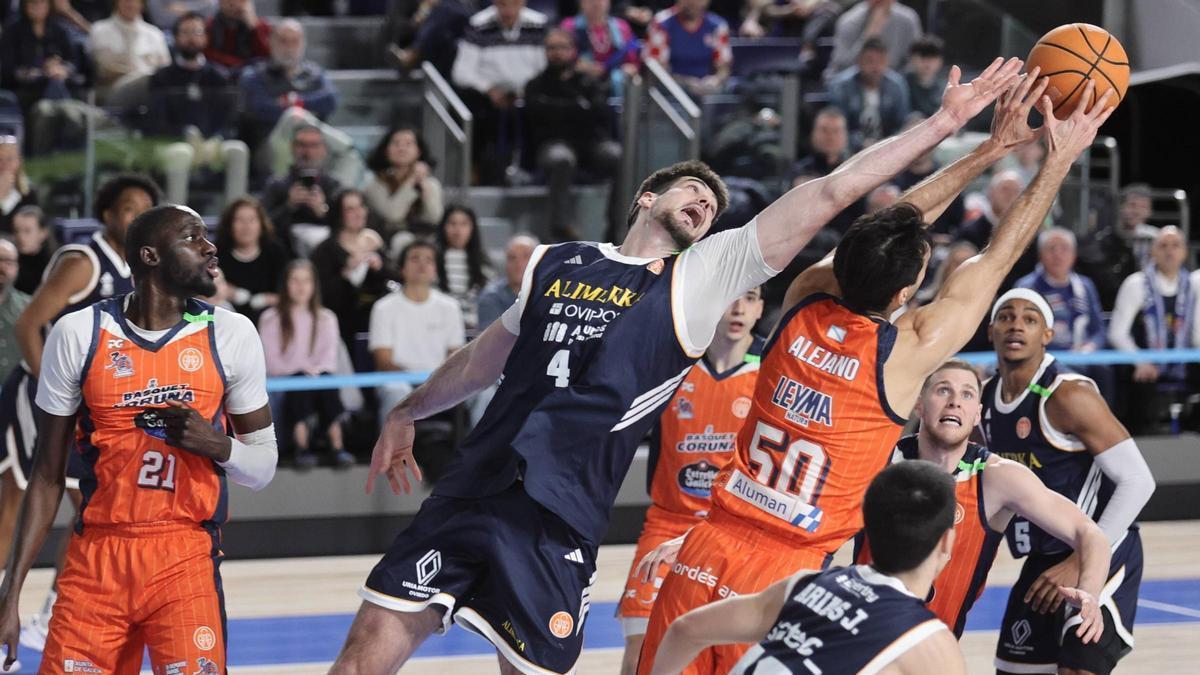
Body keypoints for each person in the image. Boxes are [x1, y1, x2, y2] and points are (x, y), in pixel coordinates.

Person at [328, 56, 1025, 674]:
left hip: (555, 514)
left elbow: (832, 193)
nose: (705, 203)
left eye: (715, 206)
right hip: (472, 483)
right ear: (645, 197)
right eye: (692, 191)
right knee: (360, 657)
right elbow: (487, 356)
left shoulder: (701, 276)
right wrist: (408, 408)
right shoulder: (558, 261)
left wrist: (942, 126)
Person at [638, 71, 1114, 674]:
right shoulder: (908, 350)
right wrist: (1059, 157)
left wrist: (991, 147)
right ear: (905, 292)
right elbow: (997, 258)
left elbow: (882, 229)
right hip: (784, 578)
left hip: (704, 548)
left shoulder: (804, 298)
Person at [0, 204, 277, 671]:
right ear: (150, 256)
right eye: (193, 238)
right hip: (97, 557)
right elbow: (46, 478)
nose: (210, 247)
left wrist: (217, 445)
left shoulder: (232, 333)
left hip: (184, 554)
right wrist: (10, 595)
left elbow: (263, 467)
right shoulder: (78, 333)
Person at [0, 174, 160, 653]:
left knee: (81, 508)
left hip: (87, 407)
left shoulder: (138, 269)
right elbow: (29, 325)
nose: (138, 218)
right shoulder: (83, 261)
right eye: (130, 208)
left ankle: (47, 614)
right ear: (108, 212)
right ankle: (22, 612)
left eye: (146, 210)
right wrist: (56, 389)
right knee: (24, 505)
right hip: (43, 399)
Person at [855, 360, 1110, 638]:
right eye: (943, 391)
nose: (954, 402)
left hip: (930, 646)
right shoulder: (879, 461)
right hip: (860, 636)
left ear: (977, 414)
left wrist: (1090, 593)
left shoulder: (996, 477)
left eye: (966, 394)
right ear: (919, 405)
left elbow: (1089, 533)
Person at [650, 461, 967, 675]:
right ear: (946, 543)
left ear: (867, 527)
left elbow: (684, 630)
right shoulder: (929, 642)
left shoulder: (805, 586)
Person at [982, 289, 1156, 674]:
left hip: (1102, 547)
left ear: (1047, 334)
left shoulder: (1068, 395)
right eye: (1007, 316)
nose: (1016, 325)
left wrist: (1081, 559)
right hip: (1044, 556)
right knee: (1014, 671)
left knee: (1078, 669)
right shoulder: (984, 399)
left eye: (1030, 319)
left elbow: (1138, 481)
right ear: (991, 329)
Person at [618, 288, 764, 675]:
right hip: (667, 521)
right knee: (639, 650)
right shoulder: (673, 360)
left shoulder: (772, 367)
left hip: (731, 533)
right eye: (731, 296)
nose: (738, 308)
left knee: (726, 655)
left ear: (761, 308)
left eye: (750, 298)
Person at [524, 28, 623, 243]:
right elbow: (537, 118)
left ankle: (619, 222)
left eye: (562, 47)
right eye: (551, 48)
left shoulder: (589, 82)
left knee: (617, 155)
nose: (556, 53)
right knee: (562, 158)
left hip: (591, 145)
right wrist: (578, 107)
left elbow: (601, 114)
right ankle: (559, 230)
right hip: (552, 145)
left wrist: (560, 110)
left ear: (573, 51)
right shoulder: (536, 85)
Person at [147, 11, 249, 207]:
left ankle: (233, 218)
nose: (191, 38)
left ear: (206, 37)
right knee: (181, 153)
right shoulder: (162, 77)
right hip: (173, 143)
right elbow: (156, 121)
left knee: (238, 150)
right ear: (175, 37)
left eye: (197, 32)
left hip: (212, 145)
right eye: (185, 32)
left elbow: (231, 119)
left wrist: (218, 138)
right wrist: (184, 134)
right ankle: (176, 221)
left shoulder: (220, 77)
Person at [259, 259, 353, 469]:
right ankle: (301, 446)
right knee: (300, 381)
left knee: (325, 380)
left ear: (314, 285)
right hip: (285, 381)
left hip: (317, 378)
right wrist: (301, 372)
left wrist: (314, 371)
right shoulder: (271, 318)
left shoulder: (326, 317)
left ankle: (337, 445)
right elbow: (271, 362)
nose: (301, 287)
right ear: (286, 284)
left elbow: (329, 357)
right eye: (295, 281)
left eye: (306, 281)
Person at [1107, 225, 1200, 433]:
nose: (1169, 251)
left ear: (1184, 252)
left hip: (1184, 363)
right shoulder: (1136, 284)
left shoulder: (1194, 286)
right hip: (1145, 365)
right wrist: (1140, 361)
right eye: (1163, 245)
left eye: (1175, 245)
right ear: (1153, 252)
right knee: (1142, 389)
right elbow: (1117, 333)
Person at [451, 0, 549, 184]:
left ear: (523, 2)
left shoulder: (539, 23)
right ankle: (479, 170)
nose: (508, 10)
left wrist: (524, 91)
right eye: (503, 4)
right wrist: (489, 89)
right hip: (487, 98)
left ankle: (534, 170)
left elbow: (543, 67)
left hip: (528, 96)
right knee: (472, 111)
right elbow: (461, 72)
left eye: (513, 3)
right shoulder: (478, 24)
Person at [369, 240, 465, 418]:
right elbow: (383, 361)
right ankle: (392, 447)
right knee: (396, 391)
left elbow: (455, 355)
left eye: (428, 260)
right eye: (414, 258)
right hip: (399, 381)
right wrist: (420, 384)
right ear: (402, 269)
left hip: (442, 383)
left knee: (485, 393)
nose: (422, 264)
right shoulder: (383, 308)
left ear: (435, 270)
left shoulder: (450, 307)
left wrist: (437, 382)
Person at [310, 189, 392, 353]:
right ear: (339, 214)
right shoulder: (325, 250)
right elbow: (321, 293)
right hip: (340, 322)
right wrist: (347, 272)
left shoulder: (375, 243)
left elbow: (394, 279)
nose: (358, 213)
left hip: (375, 321)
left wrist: (380, 268)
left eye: (361, 207)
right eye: (350, 209)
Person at [238, 19, 338, 150]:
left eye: (295, 41)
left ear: (303, 44)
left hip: (314, 142)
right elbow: (261, 108)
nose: (289, 48)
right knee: (293, 118)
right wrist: (300, 110)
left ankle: (346, 147)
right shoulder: (254, 75)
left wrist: (297, 102)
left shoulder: (314, 73)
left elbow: (330, 101)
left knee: (346, 155)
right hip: (270, 144)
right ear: (271, 42)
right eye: (283, 41)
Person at [1014, 228, 1106, 354]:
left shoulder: (1085, 286)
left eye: (1064, 248)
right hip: (1041, 357)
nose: (1058, 255)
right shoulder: (1026, 287)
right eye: (1051, 248)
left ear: (1074, 255)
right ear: (1040, 255)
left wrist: (1090, 347)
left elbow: (1098, 330)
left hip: (1082, 356)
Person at [260, 124, 343, 254]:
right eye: (302, 145)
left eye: (314, 145)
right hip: (283, 254)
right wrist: (288, 206)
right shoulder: (276, 185)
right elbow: (262, 226)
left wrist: (323, 211)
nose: (307, 152)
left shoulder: (333, 185)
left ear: (324, 150)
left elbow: (345, 229)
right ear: (292, 147)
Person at [214, 195, 290, 323]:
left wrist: (268, 299)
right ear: (229, 225)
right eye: (240, 220)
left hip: (271, 320)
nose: (246, 226)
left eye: (252, 220)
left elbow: (289, 293)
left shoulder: (275, 251)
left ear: (261, 224)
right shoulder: (217, 252)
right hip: (226, 319)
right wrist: (228, 291)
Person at [828, 37, 911, 150]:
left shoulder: (897, 85)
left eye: (880, 61)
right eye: (869, 61)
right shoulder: (840, 86)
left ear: (887, 62)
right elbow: (839, 125)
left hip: (888, 147)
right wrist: (860, 143)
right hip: (849, 148)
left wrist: (885, 143)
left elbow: (901, 124)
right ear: (859, 61)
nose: (875, 67)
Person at [364, 126, 445, 242]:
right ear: (386, 150)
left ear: (419, 151)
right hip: (383, 240)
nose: (401, 148)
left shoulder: (430, 183)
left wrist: (424, 188)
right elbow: (393, 215)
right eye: (396, 143)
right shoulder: (374, 183)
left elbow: (434, 218)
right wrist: (412, 180)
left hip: (423, 240)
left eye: (408, 144)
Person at [89, 0, 171, 108]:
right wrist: (139, 76)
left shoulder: (154, 34)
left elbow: (165, 68)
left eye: (135, 1)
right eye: (126, 1)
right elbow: (103, 69)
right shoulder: (99, 30)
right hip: (112, 90)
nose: (130, 4)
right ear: (116, 3)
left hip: (151, 91)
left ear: (142, 4)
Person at [643, 0, 732, 97]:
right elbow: (657, 70)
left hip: (707, 91)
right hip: (672, 91)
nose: (692, 2)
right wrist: (686, 83)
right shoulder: (661, 24)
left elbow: (723, 67)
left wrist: (716, 79)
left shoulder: (717, 25)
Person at [826, 0, 921, 77]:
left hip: (895, 81)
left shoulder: (908, 19)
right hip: (856, 82)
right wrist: (870, 34)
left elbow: (914, 60)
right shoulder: (849, 21)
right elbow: (843, 66)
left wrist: (892, 81)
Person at [560, 0, 640, 90]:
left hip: (615, 86)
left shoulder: (621, 26)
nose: (596, 3)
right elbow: (560, 62)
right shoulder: (569, 26)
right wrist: (576, 67)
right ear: (581, 3)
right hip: (579, 86)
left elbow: (633, 63)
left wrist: (628, 69)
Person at [435, 205, 491, 332]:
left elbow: (487, 299)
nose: (457, 230)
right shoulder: (432, 258)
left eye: (464, 224)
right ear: (443, 227)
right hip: (439, 325)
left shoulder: (484, 263)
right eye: (452, 223)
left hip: (474, 329)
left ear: (472, 229)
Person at [476, 234, 539, 331]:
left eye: (526, 256)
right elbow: (494, 342)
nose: (519, 264)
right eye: (512, 258)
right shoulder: (491, 298)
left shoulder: (553, 295)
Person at [205, 0, 271, 72]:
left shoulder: (261, 27)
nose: (233, 4)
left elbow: (266, 56)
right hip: (220, 71)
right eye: (227, 1)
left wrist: (253, 28)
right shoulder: (210, 26)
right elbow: (208, 54)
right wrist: (240, 64)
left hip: (254, 71)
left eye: (240, 1)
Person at [0, 239, 30, 382]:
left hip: (17, 392)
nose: (2, 267)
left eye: (8, 262)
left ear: (17, 267)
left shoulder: (30, 307)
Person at [10, 206, 56, 295]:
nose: (20, 237)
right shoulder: (8, 262)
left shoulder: (54, 265)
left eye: (27, 231)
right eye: (16, 231)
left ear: (43, 233)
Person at [0, 137, 38, 233]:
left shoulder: (29, 192)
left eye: (9, 159)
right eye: (0, 159)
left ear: (18, 161)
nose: (4, 164)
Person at [905, 35, 946, 118]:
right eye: (923, 56)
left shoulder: (945, 87)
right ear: (912, 58)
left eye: (933, 57)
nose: (927, 62)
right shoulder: (901, 84)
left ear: (940, 61)